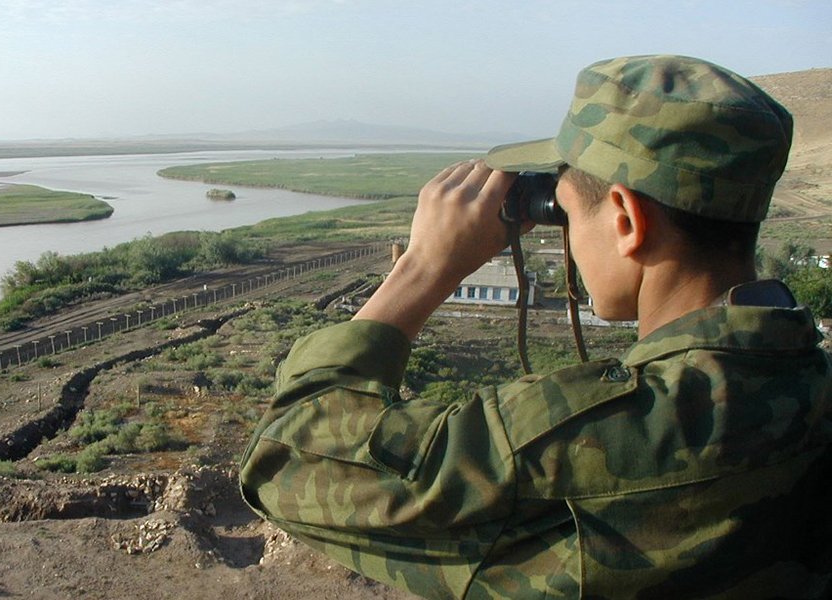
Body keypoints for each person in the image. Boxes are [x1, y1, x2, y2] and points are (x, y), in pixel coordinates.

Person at [239, 55, 832, 599]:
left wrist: (423, 267)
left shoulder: (570, 440)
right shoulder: (810, 384)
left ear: (626, 219)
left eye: (568, 211)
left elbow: (288, 456)